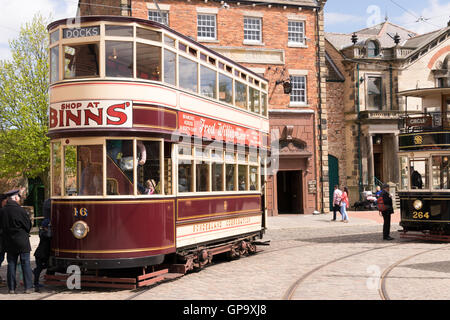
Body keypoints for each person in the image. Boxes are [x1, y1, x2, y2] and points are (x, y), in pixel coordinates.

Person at [1, 189, 33, 294]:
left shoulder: (2, 211)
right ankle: (28, 287)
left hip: (9, 241)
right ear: (15, 198)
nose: (19, 200)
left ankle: (11, 288)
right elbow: (28, 225)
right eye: (18, 198)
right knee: (25, 263)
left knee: (11, 264)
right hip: (22, 241)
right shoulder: (21, 210)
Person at [33, 217, 51, 292]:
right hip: (40, 254)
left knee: (46, 266)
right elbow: (49, 235)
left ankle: (35, 271)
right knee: (39, 269)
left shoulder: (43, 231)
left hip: (43, 254)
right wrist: (49, 228)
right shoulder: (43, 233)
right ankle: (36, 284)